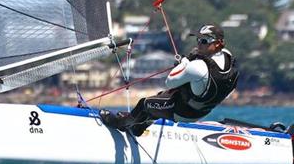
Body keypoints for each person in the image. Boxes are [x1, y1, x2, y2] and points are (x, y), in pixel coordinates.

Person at [99, 25, 238, 136]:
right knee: (162, 97)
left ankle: (121, 124)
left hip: (183, 112)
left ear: (218, 44)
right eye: (198, 40)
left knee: (145, 104)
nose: (198, 44)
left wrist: (185, 61)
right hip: (203, 111)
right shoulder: (229, 58)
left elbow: (170, 81)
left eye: (204, 41)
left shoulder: (198, 67)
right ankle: (138, 127)